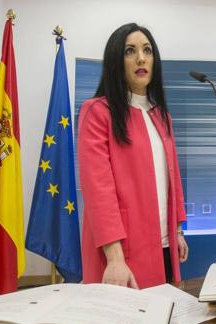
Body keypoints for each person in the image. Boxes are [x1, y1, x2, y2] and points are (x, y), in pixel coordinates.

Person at [78, 23, 188, 289]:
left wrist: (177, 231)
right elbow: (98, 190)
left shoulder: (162, 116)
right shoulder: (97, 112)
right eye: (130, 51)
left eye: (147, 50)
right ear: (117, 61)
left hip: (165, 246)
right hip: (122, 252)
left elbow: (172, 181)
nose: (141, 58)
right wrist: (114, 258)